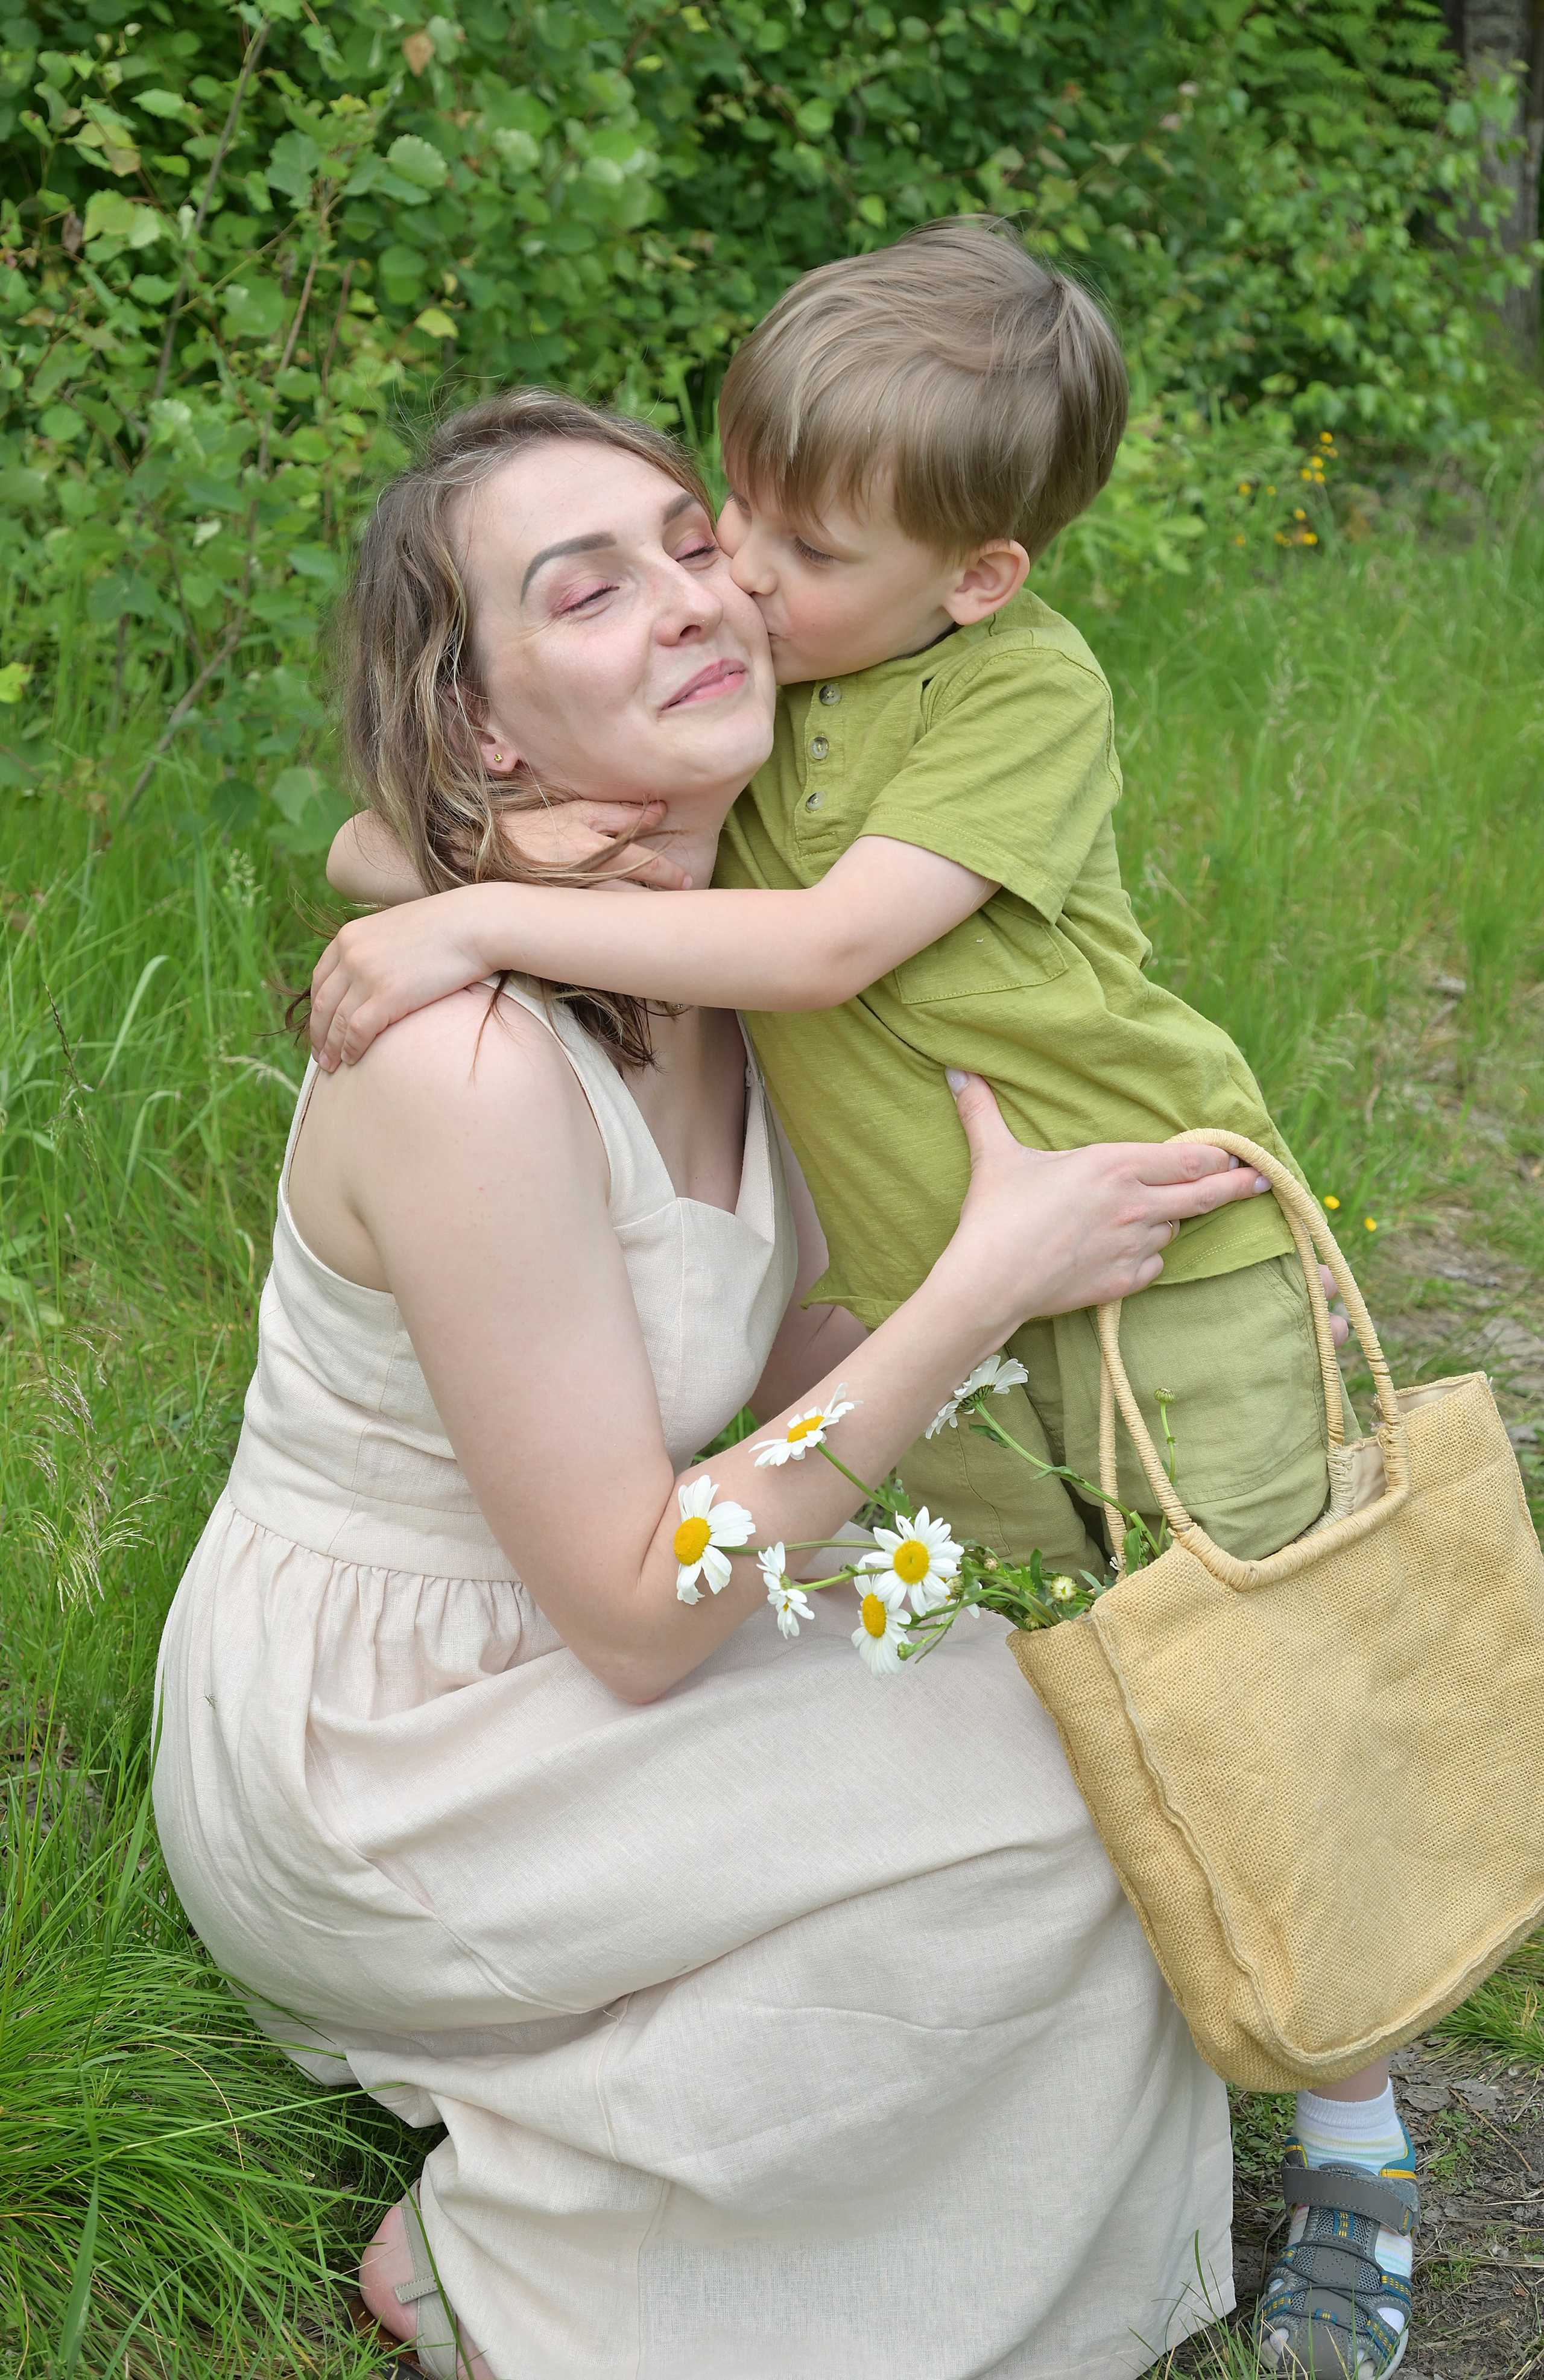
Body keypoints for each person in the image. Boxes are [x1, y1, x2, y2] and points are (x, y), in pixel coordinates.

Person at [311, 224, 1419, 2380]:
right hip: (949, 1322)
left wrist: (461, 923)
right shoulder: (796, 677)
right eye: (703, 524)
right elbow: (388, 839)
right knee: (1090, 1726)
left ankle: (1364, 2139)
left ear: (975, 575)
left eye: (770, 550)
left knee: (1260, 1692)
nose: (730, 583)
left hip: (1151, 1261)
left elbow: (816, 953)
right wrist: (446, 891)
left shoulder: (1018, 691)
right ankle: (639, 2197)